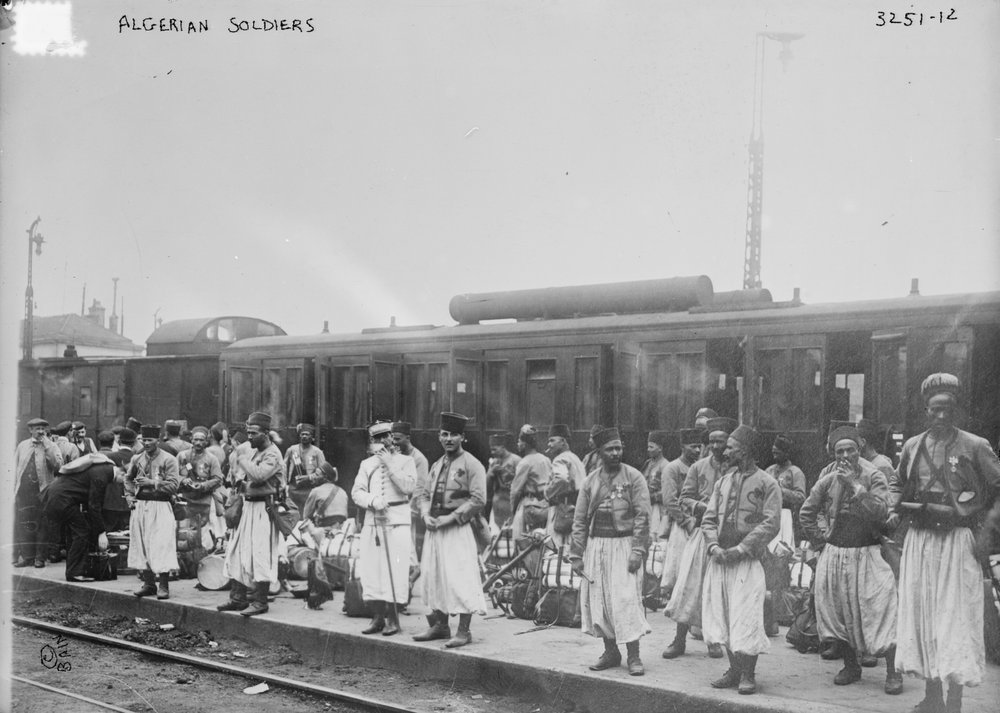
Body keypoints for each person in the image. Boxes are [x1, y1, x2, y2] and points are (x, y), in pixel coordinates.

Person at [888, 373, 1000, 713]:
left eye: (947, 409)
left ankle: (954, 701)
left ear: (957, 410)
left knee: (956, 619)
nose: (941, 416)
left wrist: (987, 532)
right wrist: (894, 509)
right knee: (924, 617)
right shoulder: (912, 445)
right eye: (935, 410)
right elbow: (897, 481)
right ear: (926, 411)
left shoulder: (975, 445)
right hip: (921, 542)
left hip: (957, 542)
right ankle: (932, 696)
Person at [799, 425, 902, 694]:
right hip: (835, 552)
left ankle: (893, 672)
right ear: (834, 454)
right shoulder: (827, 477)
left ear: (859, 450)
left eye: (850, 450)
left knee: (880, 609)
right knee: (838, 611)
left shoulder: (874, 475)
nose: (845, 456)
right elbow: (807, 511)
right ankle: (850, 666)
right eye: (839, 451)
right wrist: (821, 541)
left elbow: (882, 513)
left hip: (868, 551)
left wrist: (856, 487)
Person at [701, 424, 781, 695]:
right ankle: (734, 669)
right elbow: (709, 518)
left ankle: (748, 673)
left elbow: (771, 523)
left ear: (745, 451)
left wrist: (742, 548)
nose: (726, 451)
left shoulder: (768, 483)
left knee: (746, 616)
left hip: (746, 560)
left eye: (732, 447)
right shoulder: (723, 481)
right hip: (720, 559)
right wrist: (712, 546)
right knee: (723, 614)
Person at [569, 426, 652, 676]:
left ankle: (634, 655)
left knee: (625, 600)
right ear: (599, 452)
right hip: (597, 546)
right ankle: (611, 651)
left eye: (619, 448)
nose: (616, 453)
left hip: (624, 545)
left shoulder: (634, 477)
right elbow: (580, 519)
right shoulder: (590, 481)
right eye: (610, 449)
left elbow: (643, 516)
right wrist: (576, 554)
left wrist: (637, 550)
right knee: (601, 601)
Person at [662, 416, 737, 660]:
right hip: (701, 535)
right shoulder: (698, 467)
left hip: (727, 538)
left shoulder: (737, 468)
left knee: (719, 589)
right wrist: (702, 508)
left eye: (722, 441)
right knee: (690, 586)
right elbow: (684, 498)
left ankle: (713, 640)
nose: (717, 446)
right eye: (713, 441)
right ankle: (679, 639)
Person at [413, 412, 488, 648]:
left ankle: (464, 631)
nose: (449, 439)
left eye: (454, 435)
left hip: (458, 529)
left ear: (462, 437)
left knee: (460, 577)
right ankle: (440, 625)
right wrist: (425, 514)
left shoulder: (472, 464)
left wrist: (451, 519)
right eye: (444, 434)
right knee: (435, 575)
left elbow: (478, 499)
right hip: (435, 528)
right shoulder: (437, 464)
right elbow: (424, 494)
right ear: (439, 437)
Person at [352, 421, 417, 636]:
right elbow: (356, 492)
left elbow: (408, 487)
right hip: (373, 522)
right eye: (376, 439)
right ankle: (377, 617)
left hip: (397, 521)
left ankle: (393, 618)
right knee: (373, 570)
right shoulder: (366, 464)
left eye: (385, 437)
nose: (381, 442)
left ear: (392, 438)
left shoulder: (406, 461)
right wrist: (372, 500)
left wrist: (389, 464)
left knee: (395, 572)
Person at [217, 412, 285, 616]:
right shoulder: (255, 451)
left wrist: (243, 459)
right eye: (248, 432)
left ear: (266, 433)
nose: (249, 437)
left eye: (253, 433)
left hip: (264, 509)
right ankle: (238, 598)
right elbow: (243, 480)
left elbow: (258, 475)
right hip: (248, 506)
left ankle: (260, 601)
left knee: (259, 554)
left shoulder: (273, 453)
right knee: (237, 551)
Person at [125, 424, 180, 599]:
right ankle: (149, 584)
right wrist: (129, 496)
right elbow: (128, 479)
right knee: (142, 544)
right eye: (143, 439)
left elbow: (173, 485)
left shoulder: (169, 459)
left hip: (161, 506)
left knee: (161, 544)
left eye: (150, 440)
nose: (146, 443)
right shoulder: (137, 459)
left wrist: (152, 483)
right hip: (141, 506)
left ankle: (163, 585)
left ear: (158, 439)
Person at [42, 451, 115, 582]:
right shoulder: (103, 475)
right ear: (121, 471)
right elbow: (94, 505)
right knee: (82, 531)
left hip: (56, 496)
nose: (122, 482)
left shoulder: (101, 468)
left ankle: (73, 571)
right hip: (62, 499)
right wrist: (101, 532)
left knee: (77, 532)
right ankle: (74, 573)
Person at [13, 418, 64, 568]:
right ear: (30, 430)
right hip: (24, 492)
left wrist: (47, 446)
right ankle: (27, 557)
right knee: (24, 524)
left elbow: (58, 466)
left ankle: (40, 558)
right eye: (37, 429)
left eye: (43, 428)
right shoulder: (22, 446)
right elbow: (14, 467)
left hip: (43, 492)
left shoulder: (52, 446)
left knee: (42, 525)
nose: (41, 431)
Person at [659, 427, 704, 596]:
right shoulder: (673, 468)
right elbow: (670, 501)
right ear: (683, 447)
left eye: (699, 446)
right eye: (693, 446)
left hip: (700, 524)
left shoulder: (700, 467)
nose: (698, 450)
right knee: (680, 571)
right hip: (682, 525)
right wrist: (686, 522)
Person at [176, 426, 224, 546]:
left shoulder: (211, 459)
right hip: (185, 501)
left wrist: (203, 485)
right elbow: (172, 475)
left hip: (203, 502)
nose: (198, 443)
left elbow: (218, 479)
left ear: (207, 441)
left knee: (202, 534)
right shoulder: (182, 456)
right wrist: (182, 480)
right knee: (183, 534)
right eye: (196, 439)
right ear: (191, 439)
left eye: (201, 440)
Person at [391, 421, 429, 567]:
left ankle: (411, 576)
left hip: (407, 509)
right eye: (393, 438)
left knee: (407, 544)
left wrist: (411, 510)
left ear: (408, 438)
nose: (395, 442)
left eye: (398, 439)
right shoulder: (393, 455)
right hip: (392, 507)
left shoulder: (419, 459)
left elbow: (420, 488)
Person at [545, 424, 586, 548]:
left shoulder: (560, 459)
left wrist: (547, 493)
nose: (549, 444)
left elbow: (561, 478)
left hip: (562, 511)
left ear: (563, 441)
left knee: (555, 550)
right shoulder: (575, 458)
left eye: (552, 440)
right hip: (576, 510)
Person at [510, 425, 552, 537]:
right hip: (546, 506)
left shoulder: (525, 463)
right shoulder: (545, 459)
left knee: (524, 540)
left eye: (519, 441)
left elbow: (515, 491)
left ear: (525, 444)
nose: (517, 444)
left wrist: (513, 511)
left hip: (530, 507)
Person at [765, 434, 806, 547]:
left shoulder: (795, 472)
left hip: (786, 517)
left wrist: (780, 491)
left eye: (777, 453)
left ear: (786, 453)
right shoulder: (769, 471)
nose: (774, 456)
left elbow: (801, 497)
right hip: (768, 516)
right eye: (773, 453)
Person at [285, 423, 328, 512]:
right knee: (292, 514)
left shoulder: (317, 452)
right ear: (299, 436)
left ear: (312, 437)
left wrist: (308, 477)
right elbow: (283, 467)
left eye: (307, 434)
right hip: (293, 489)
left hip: (309, 490)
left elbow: (323, 473)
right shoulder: (292, 450)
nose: (304, 436)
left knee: (306, 515)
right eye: (302, 434)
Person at [301, 462, 348, 543]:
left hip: (322, 532)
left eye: (317, 474)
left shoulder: (316, 491)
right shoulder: (342, 491)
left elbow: (306, 517)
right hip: (341, 530)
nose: (313, 477)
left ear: (325, 477)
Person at [485, 432, 520, 531]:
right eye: (491, 449)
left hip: (511, 507)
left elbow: (520, 486)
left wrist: (507, 474)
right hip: (496, 508)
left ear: (503, 447)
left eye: (494, 449)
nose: (492, 452)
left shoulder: (516, 460)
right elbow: (486, 487)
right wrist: (491, 472)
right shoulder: (494, 462)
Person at [642, 431, 671, 538]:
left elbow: (667, 491)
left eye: (651, 447)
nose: (648, 450)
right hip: (646, 505)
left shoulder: (665, 465)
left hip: (658, 508)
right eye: (648, 447)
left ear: (660, 448)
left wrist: (653, 497)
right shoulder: (647, 463)